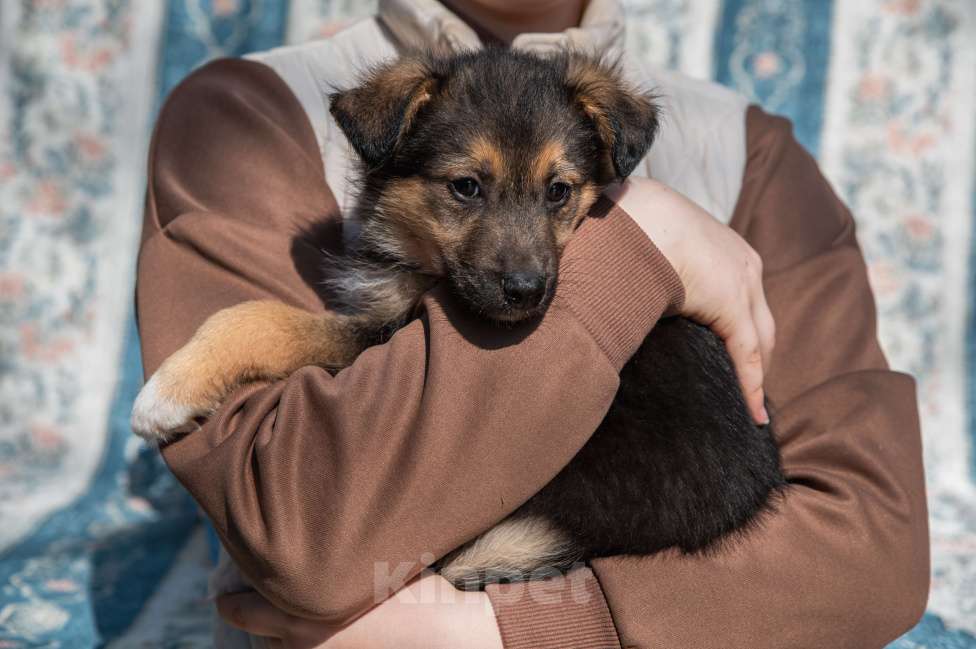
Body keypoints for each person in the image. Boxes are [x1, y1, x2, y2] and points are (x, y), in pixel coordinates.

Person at [135, 0, 930, 647]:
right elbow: (297, 534)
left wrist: (503, 628)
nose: (523, 266)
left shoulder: (747, 155)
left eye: (559, 197)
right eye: (465, 190)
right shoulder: (251, 117)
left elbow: (872, 552)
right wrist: (644, 237)